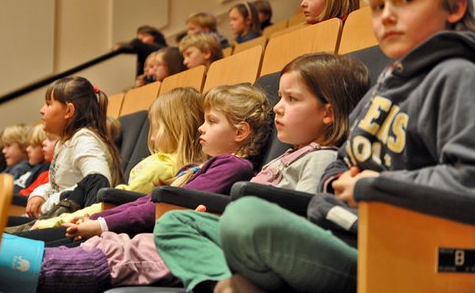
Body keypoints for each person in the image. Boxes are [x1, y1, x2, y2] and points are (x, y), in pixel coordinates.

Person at [198, 0, 475, 292]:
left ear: (454, 7)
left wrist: (374, 186)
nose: (386, 15)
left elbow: (467, 179)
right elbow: (341, 161)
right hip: (345, 230)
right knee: (183, 225)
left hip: (400, 255)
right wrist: (338, 181)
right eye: (379, 5)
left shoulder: (458, 76)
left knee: (245, 217)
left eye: (406, 0)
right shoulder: (382, 88)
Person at [0, 83, 273, 292]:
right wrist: (98, 220)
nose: (200, 128)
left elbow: (160, 204)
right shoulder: (197, 168)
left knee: (54, 257)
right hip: (127, 229)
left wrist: (101, 223)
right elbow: (145, 201)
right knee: (47, 248)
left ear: (240, 132)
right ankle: (1, 258)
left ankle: (7, 262)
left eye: (211, 122)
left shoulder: (234, 167)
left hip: (149, 236)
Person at [153, 52, 370, 293]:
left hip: (284, 248)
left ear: (327, 113)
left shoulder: (322, 157)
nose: (277, 107)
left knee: (246, 213)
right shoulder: (283, 158)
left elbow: (308, 223)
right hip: (253, 239)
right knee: (173, 223)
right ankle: (224, 285)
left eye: (292, 99)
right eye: (280, 97)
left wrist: (239, 219)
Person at [29, 87, 205, 230]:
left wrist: (53, 222)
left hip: (97, 222)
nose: (151, 138)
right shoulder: (177, 167)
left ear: (176, 130)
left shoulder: (160, 168)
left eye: (157, 128)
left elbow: (113, 201)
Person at [24, 76, 123, 218]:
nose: (41, 110)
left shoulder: (84, 139)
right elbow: (56, 185)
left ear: (69, 111)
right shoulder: (65, 142)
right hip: (57, 217)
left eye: (48, 104)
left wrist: (52, 201)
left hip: (74, 223)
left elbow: (98, 181)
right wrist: (39, 195)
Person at [13, 123, 52, 194]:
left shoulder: (46, 170)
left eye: (33, 146)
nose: (27, 149)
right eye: (28, 145)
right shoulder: (32, 168)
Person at [19, 133, 59, 197]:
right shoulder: (43, 175)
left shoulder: (50, 174)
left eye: (33, 146)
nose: (43, 143)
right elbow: (25, 193)